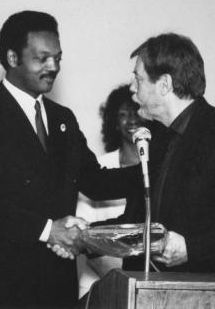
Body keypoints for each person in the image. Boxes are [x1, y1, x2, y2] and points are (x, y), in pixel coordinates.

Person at [0, 11, 136, 308]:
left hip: (54, 291)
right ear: (12, 58)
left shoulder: (63, 119)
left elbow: (96, 182)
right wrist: (50, 231)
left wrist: (159, 168)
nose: (54, 66)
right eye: (43, 58)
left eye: (58, 58)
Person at [99, 33, 215, 273]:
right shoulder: (158, 139)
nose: (132, 88)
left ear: (164, 84)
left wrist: (192, 249)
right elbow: (140, 222)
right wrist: (85, 236)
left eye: (138, 79)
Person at [75, 84, 146, 297]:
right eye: (123, 115)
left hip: (146, 283)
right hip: (98, 284)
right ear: (113, 122)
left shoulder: (158, 168)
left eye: (135, 112)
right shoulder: (98, 168)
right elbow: (85, 230)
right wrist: (126, 283)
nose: (131, 120)